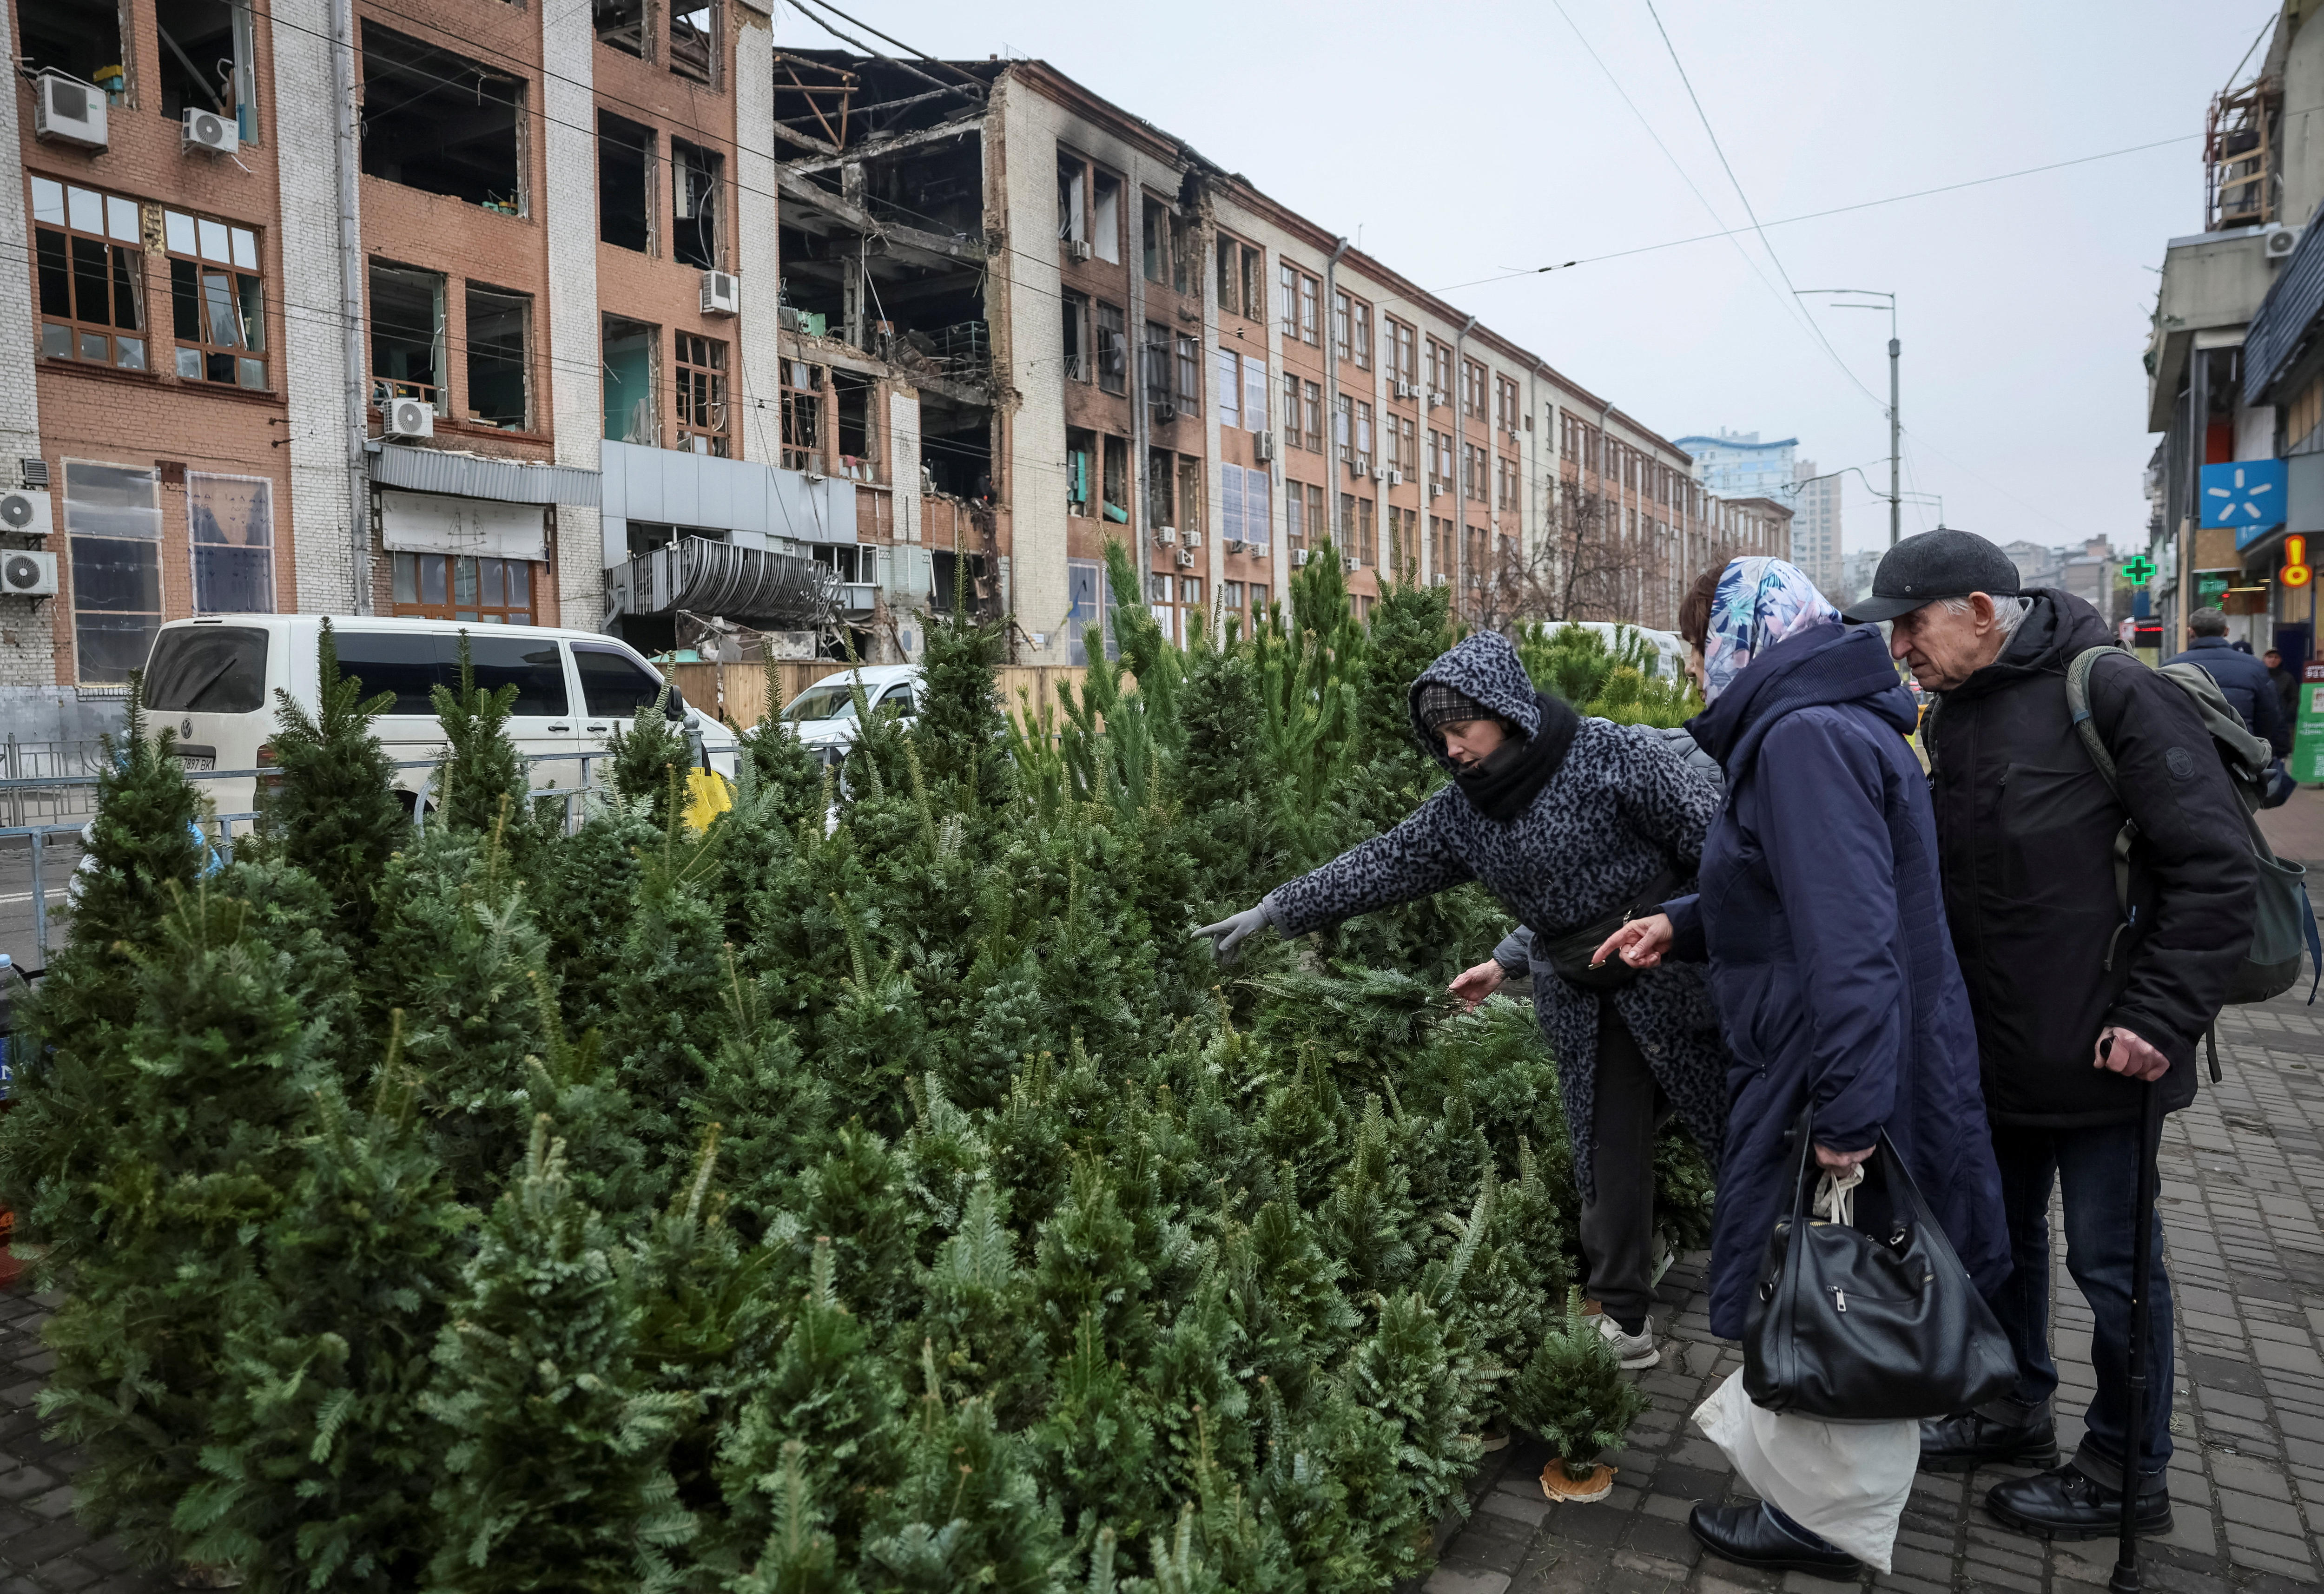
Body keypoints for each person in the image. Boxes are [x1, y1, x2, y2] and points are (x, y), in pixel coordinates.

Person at [1596, 558, 2008, 1580]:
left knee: (1836, 1288)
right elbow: (1799, 895)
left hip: (1828, 1064)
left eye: (1701, 645)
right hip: (1840, 1049)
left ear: (1744, 638)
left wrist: (1849, 1113)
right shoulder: (1830, 721)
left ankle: (1822, 1528)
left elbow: (1851, 943)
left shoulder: (1799, 740)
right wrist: (1682, 923)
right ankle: (1817, 1506)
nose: (1698, 668)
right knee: (1835, 1280)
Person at [1842, 527, 2257, 1541]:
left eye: (1910, 624)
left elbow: (2214, 869)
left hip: (2111, 1054)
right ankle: (2008, 1405)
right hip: (1993, 1051)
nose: (1899, 647)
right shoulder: (1952, 714)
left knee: (2110, 1269)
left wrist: (2157, 1015)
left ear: (1980, 611)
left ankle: (2127, 1467)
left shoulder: (2110, 688)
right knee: (2002, 1243)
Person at [1194, 630, 1726, 1371]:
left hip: (1682, 980)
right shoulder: (1464, 814)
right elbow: (1382, 863)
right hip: (1584, 998)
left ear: (1506, 713)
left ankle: (1800, 1284)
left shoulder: (1610, 755)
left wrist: (1697, 927)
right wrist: (1275, 910)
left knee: (1737, 1129)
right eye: (1439, 735)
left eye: (1461, 729)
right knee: (1609, 1152)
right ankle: (1625, 1322)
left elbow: (1722, 842)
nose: (1452, 749)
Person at [2165, 608, 2289, 754]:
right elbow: (2269, 716)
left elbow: (2163, 716)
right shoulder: (2255, 668)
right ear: (2226, 631)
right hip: (2242, 755)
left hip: (2191, 755)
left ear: (2191, 631)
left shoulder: (2171, 667)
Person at [2264, 646, 2299, 728]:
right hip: (2262, 722)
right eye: (2270, 657)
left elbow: (2295, 698)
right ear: (2264, 659)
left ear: (2280, 660)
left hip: (2283, 724)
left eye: (2276, 657)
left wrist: (2286, 715)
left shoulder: (2288, 678)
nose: (2273, 660)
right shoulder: (2258, 676)